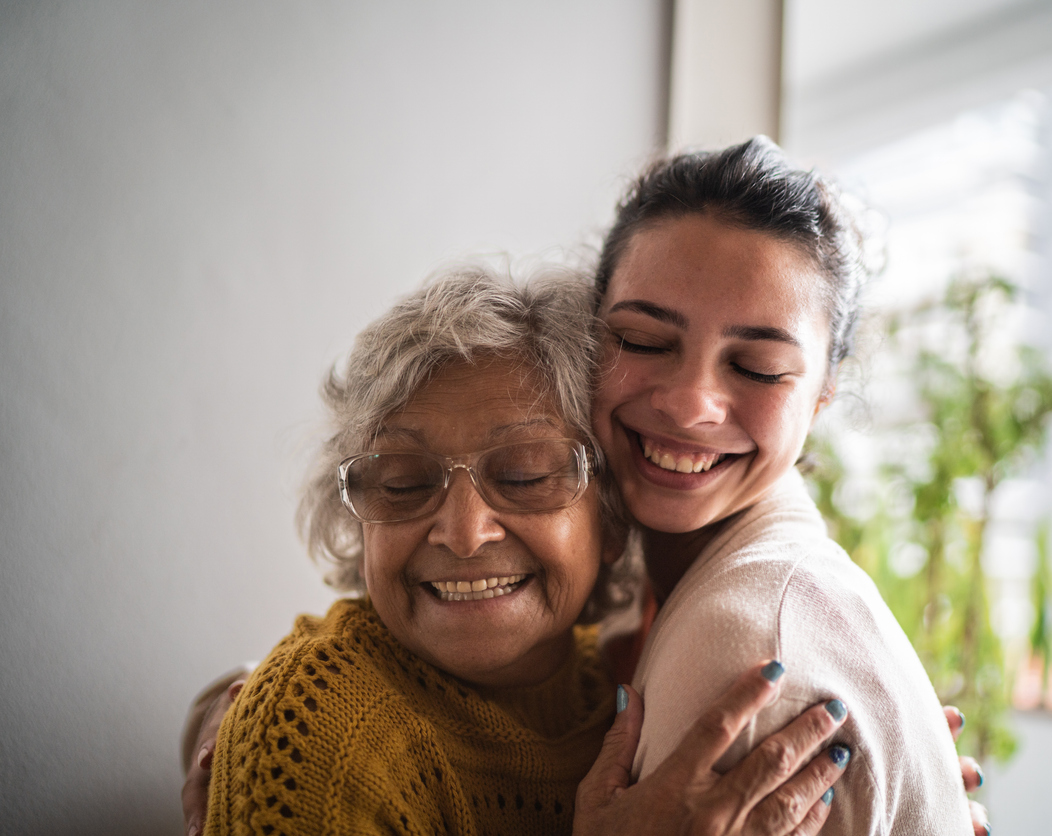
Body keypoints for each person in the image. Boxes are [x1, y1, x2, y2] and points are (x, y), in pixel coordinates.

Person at [195, 267, 853, 836]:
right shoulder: (318, 723)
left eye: (526, 476)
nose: (462, 531)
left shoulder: (627, 672)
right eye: (402, 483)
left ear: (614, 515)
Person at [575, 137, 986, 835]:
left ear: (823, 393)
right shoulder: (649, 594)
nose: (688, 403)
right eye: (642, 341)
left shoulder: (740, 655)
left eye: (759, 367)